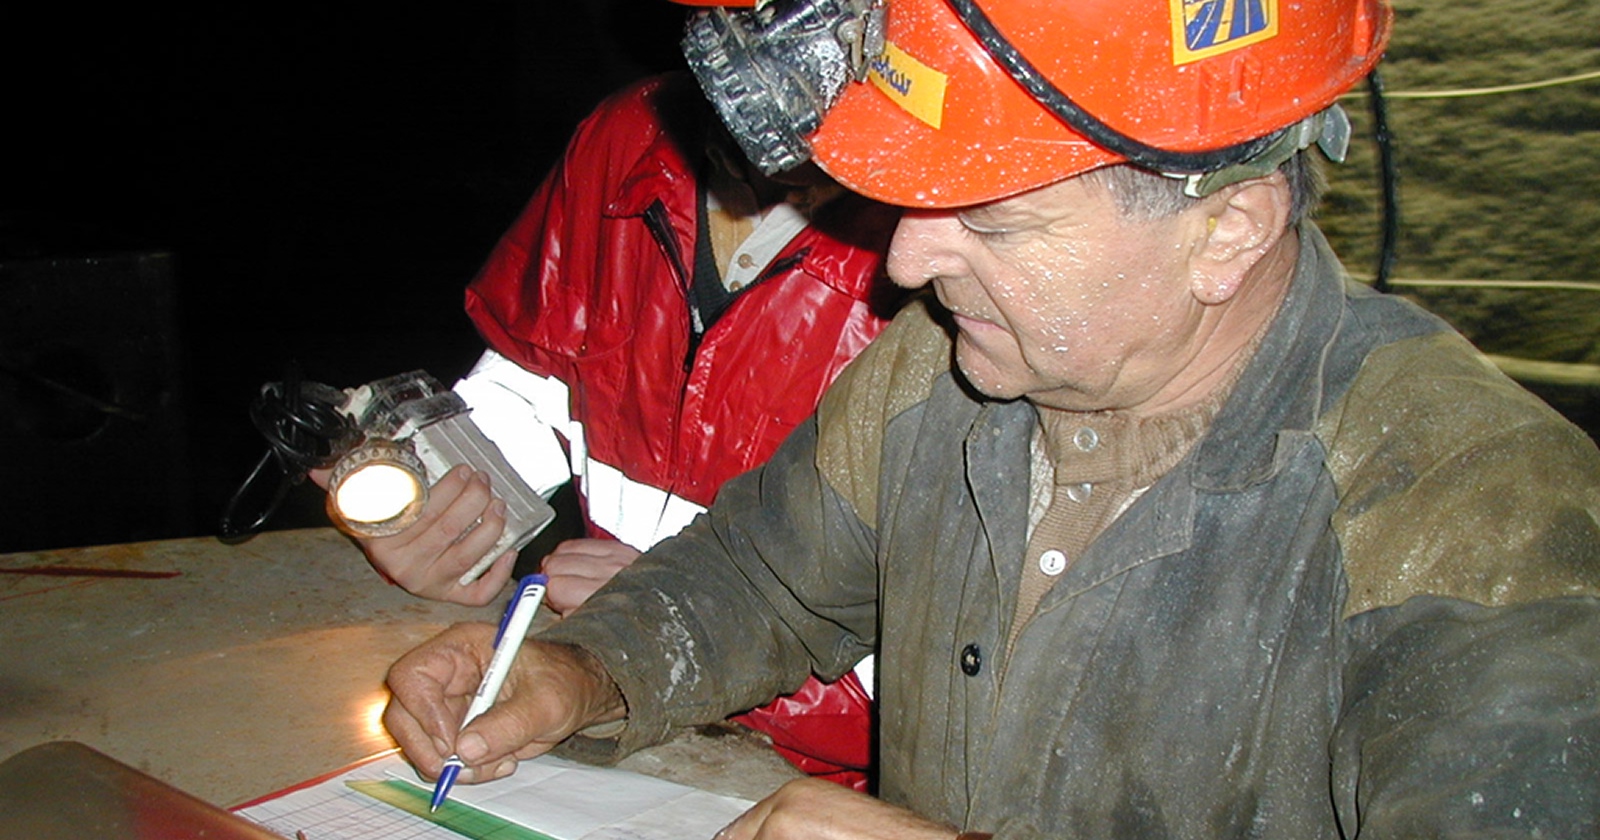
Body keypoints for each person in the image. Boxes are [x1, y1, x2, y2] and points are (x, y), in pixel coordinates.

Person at [382, 0, 1600, 837]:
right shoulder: (945, 372)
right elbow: (759, 580)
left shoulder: (1470, 512)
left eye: (992, 220)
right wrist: (577, 673)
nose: (905, 262)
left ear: (1225, 231)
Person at [326, 69, 900, 789]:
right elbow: (541, 380)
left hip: (833, 786)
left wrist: (669, 615)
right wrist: (450, 512)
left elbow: (973, 674)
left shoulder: (947, 225)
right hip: (618, 714)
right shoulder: (634, 134)